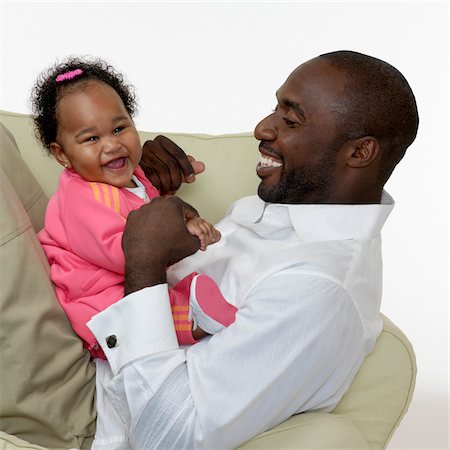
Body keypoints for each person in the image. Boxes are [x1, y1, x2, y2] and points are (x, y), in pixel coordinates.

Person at [86, 50, 419, 449]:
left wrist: (144, 263)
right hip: (83, 343)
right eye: (275, 109)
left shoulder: (315, 291)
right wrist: (143, 185)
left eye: (291, 120)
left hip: (90, 411)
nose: (262, 128)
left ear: (359, 153)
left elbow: (168, 438)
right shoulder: (287, 205)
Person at [31, 57, 238, 359]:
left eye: (119, 128)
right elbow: (127, 253)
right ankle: (190, 323)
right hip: (96, 300)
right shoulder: (80, 197)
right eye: (91, 138)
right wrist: (182, 233)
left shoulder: (135, 175)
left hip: (130, 282)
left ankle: (196, 305)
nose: (112, 145)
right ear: (62, 154)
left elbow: (146, 207)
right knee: (142, 309)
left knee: (182, 284)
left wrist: (177, 203)